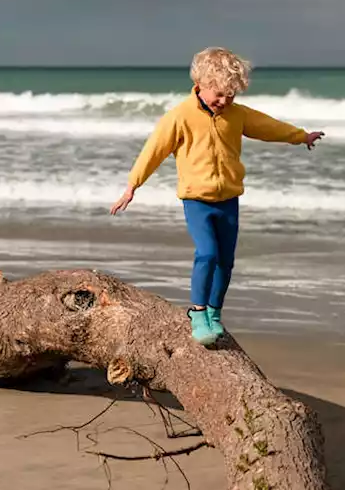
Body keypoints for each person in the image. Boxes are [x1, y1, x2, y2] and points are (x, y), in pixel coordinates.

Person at [110, 47, 324, 345]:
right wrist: (133, 185)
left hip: (228, 200)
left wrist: (301, 136)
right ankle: (197, 314)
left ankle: (214, 313)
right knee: (207, 253)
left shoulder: (236, 115)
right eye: (219, 94)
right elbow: (154, 150)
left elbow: (267, 126)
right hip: (197, 200)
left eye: (231, 96)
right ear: (201, 83)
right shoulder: (180, 117)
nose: (224, 102)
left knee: (225, 261)